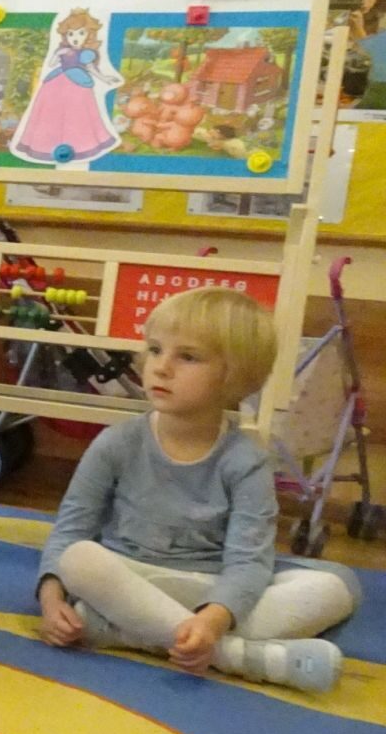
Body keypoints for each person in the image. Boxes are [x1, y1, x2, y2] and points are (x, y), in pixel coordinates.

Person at [37, 287, 359, 693]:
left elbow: (248, 562)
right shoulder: (116, 443)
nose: (161, 367)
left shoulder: (246, 460)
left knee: (337, 586)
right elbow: (70, 531)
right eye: (155, 350)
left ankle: (126, 630)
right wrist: (51, 601)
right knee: (78, 559)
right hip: (127, 575)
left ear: (235, 375)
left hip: (206, 590)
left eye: (187, 357)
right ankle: (238, 657)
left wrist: (212, 620)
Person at [10, 8, 120, 165]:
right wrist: (57, 54)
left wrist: (105, 78)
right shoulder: (62, 50)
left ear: (89, 34)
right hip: (56, 82)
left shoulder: (86, 53)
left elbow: (91, 68)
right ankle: (44, 145)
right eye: (71, 34)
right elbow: (51, 64)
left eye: (81, 33)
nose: (75, 38)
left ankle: (82, 145)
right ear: (65, 35)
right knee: (50, 113)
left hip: (78, 83)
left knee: (77, 115)